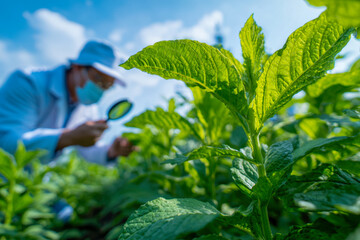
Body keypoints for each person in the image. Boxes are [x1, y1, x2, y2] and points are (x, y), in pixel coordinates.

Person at [0, 40, 134, 164]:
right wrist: (67, 138)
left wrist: (111, 152)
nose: (100, 88)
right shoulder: (28, 82)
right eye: (98, 79)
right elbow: (6, 141)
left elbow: (88, 148)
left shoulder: (88, 107)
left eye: (107, 85)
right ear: (77, 67)